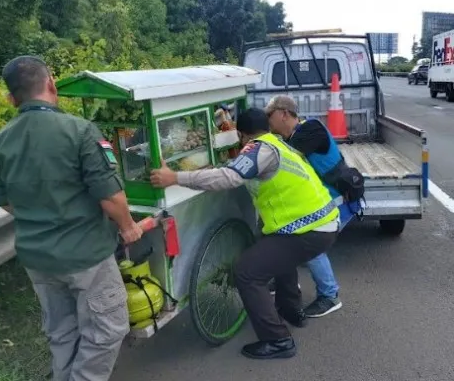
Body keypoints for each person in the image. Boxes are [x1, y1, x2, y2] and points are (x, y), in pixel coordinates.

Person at [0, 56, 144, 381]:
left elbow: (4, 200)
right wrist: (128, 227)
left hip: (37, 258)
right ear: (52, 85)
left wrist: (40, 216)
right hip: (86, 255)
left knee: (62, 333)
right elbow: (111, 196)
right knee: (108, 329)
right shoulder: (81, 131)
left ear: (11, 99)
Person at [150, 107, 339, 360]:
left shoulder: (258, 147)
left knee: (247, 271)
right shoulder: (278, 144)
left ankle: (278, 340)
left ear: (242, 135)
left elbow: (229, 177)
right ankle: (292, 311)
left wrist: (175, 177)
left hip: (308, 229)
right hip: (321, 223)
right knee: (276, 252)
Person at [265, 95, 364, 319]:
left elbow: (285, 155)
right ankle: (287, 283)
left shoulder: (311, 131)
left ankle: (329, 296)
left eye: (269, 116)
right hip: (323, 200)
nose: (267, 122)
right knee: (285, 234)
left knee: (309, 244)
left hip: (340, 200)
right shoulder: (294, 135)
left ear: (283, 114)